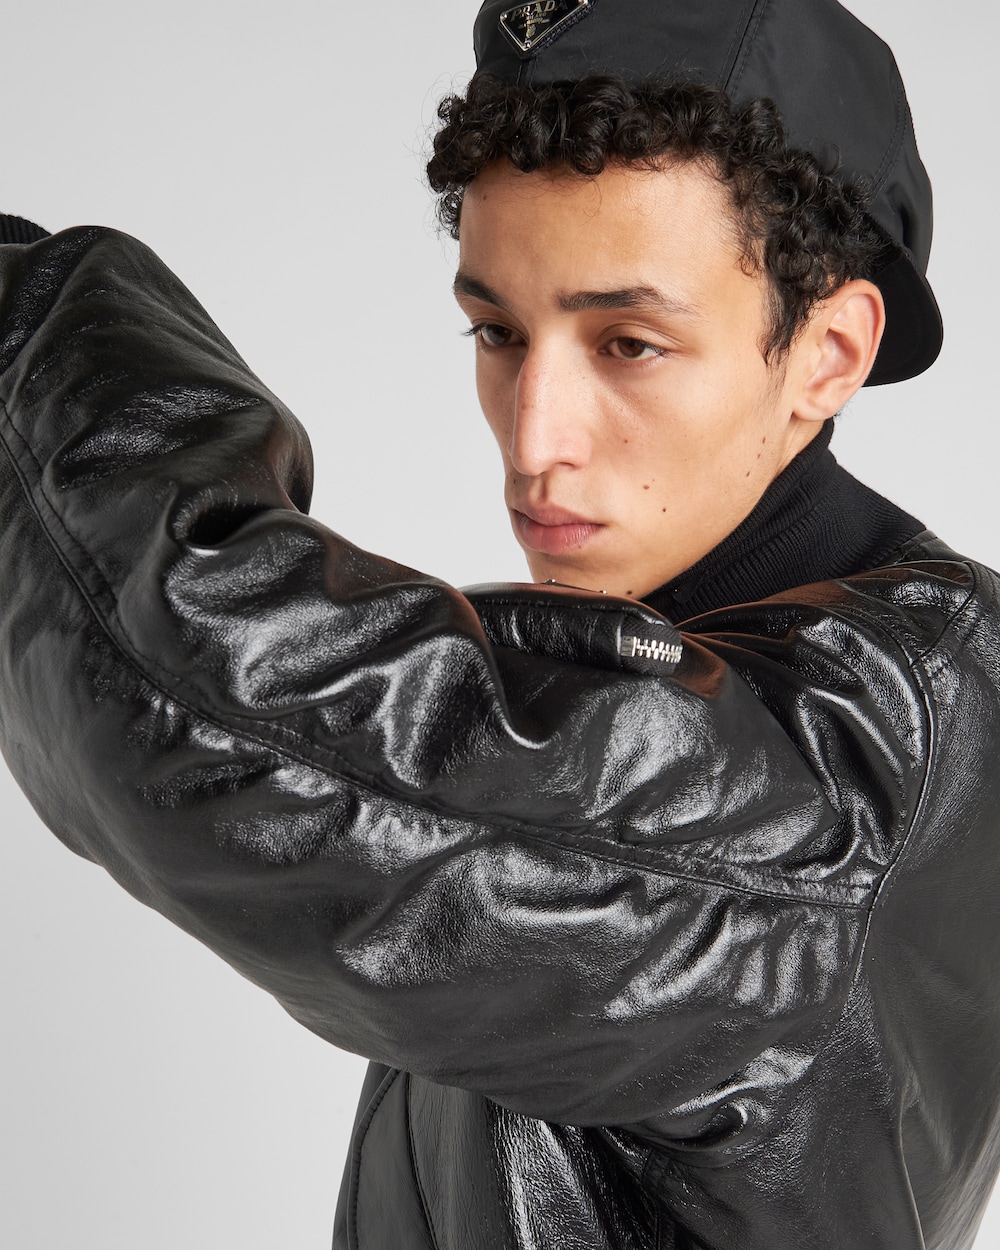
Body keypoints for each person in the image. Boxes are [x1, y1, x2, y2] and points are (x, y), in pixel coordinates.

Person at [1, 1, 998, 1247]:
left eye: (628, 343)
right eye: (498, 332)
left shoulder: (844, 768)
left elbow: (200, 693)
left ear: (828, 353)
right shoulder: (722, 663)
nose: (533, 438)